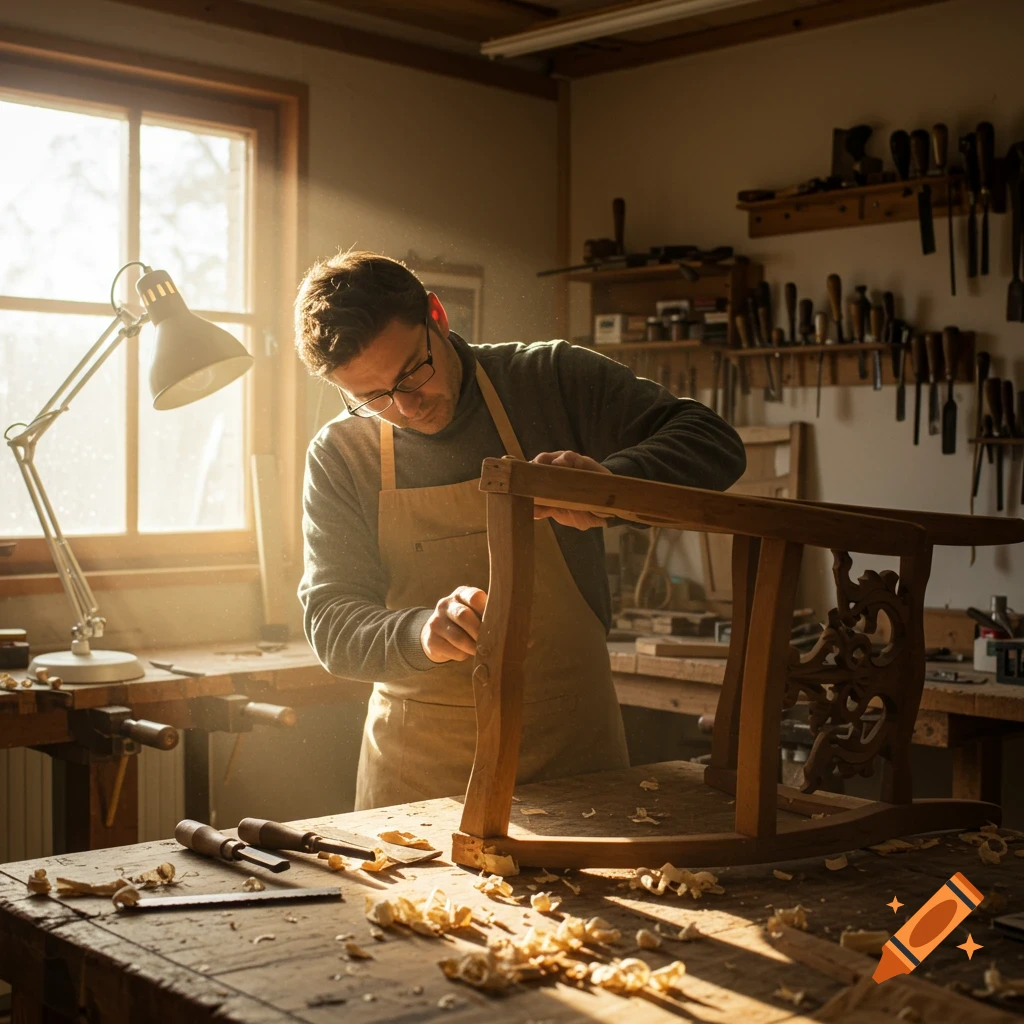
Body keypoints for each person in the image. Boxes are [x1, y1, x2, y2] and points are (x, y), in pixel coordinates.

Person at [294, 251, 746, 810]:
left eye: (413, 372)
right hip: (420, 776)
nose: (406, 408)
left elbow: (715, 443)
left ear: (437, 315)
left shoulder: (549, 379)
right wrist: (419, 633)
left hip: (573, 751)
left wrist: (613, 487)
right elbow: (331, 621)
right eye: (372, 397)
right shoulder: (342, 454)